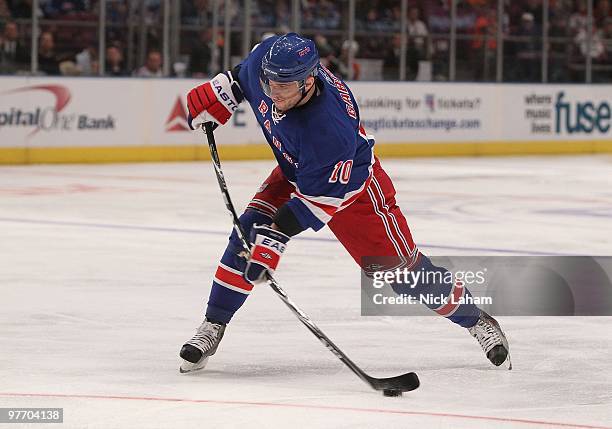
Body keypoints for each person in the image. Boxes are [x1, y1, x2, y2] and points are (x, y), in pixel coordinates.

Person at [180, 33, 511, 373]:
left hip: (354, 191)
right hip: (298, 169)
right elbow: (242, 74)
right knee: (245, 234)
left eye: (284, 86)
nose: (272, 92)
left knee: (403, 275)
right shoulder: (271, 60)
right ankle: (213, 324)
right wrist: (221, 91)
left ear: (309, 81)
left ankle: (476, 319)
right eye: (269, 83)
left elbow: (321, 201)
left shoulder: (330, 127)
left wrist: (275, 236)